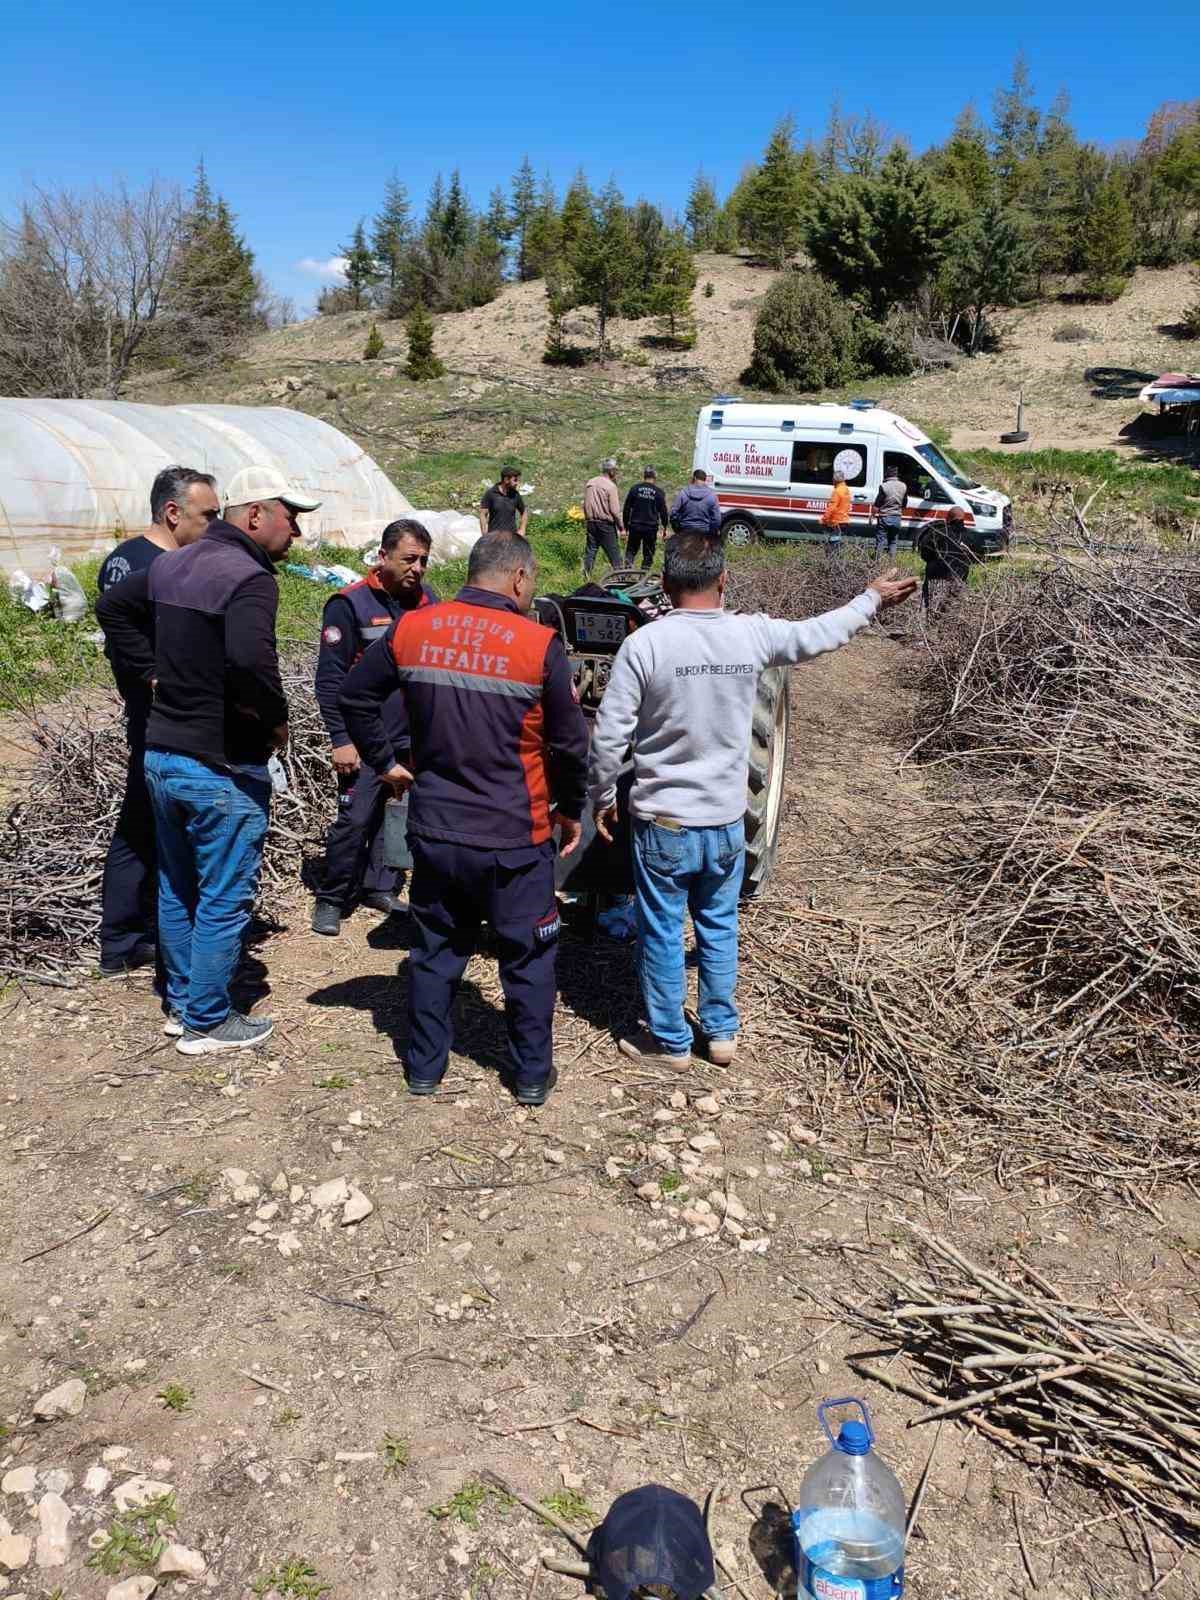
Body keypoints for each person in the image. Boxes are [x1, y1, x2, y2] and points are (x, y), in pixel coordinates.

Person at [589, 532, 916, 1068]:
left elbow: (608, 738)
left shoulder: (644, 645)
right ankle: (720, 1034)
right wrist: (871, 599)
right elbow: (821, 633)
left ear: (666, 585)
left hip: (664, 823)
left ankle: (670, 1043)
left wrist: (602, 795)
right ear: (723, 581)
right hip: (724, 823)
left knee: (663, 931)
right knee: (719, 925)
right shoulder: (751, 635)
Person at [339, 533, 589, 1106]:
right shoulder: (538, 644)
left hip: (436, 831)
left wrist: (384, 762)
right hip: (514, 837)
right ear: (521, 580)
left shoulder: (414, 628)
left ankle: (424, 1070)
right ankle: (529, 1075)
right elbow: (572, 746)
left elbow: (355, 695)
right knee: (527, 955)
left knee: (434, 950)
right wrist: (569, 810)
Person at [97, 465, 318, 1054]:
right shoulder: (247, 577)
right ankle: (207, 1021)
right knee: (223, 892)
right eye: (289, 516)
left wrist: (150, 674)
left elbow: (112, 610)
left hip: (162, 753)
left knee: (177, 885)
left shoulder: (169, 562)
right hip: (218, 765)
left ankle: (181, 1002)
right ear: (254, 516)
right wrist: (274, 720)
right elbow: (250, 661)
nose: (295, 530)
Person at [96, 466, 220, 977]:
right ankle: (122, 939)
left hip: (184, 719)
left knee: (156, 824)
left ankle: (147, 930)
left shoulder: (185, 562)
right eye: (206, 514)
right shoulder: (131, 565)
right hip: (154, 721)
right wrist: (152, 678)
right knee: (141, 823)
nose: (213, 524)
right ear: (173, 513)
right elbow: (123, 634)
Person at [311, 520, 438, 936]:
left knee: (396, 813)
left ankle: (379, 886)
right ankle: (332, 898)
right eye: (408, 559)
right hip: (365, 741)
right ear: (383, 557)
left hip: (412, 737)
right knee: (354, 819)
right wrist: (341, 739)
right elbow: (331, 681)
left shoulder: (429, 602)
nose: (417, 568)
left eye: (423, 560)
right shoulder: (349, 605)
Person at [918, 506, 973, 618]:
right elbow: (973, 558)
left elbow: (925, 553)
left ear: (948, 518)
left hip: (936, 579)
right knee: (953, 615)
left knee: (931, 613)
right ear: (963, 519)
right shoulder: (970, 536)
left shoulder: (938, 533)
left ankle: (927, 631)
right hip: (960, 579)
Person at [582, 459, 624, 577]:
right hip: (605, 524)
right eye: (615, 470)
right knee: (614, 555)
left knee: (590, 552)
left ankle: (586, 576)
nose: (616, 473)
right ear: (611, 471)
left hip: (591, 522)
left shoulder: (590, 483)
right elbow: (615, 511)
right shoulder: (611, 486)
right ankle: (621, 579)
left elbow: (585, 504)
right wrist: (621, 527)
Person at [623, 466, 670, 571]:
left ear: (644, 476)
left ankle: (627, 571)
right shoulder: (659, 492)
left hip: (635, 526)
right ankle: (643, 574)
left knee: (631, 550)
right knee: (648, 553)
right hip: (651, 527)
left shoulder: (634, 489)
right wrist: (665, 527)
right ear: (655, 477)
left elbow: (626, 509)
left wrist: (625, 527)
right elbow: (663, 512)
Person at [670, 469, 721, 536]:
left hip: (685, 529)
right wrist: (712, 531)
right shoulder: (712, 495)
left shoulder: (684, 492)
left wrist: (677, 529)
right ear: (705, 480)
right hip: (704, 531)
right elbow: (717, 518)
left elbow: (673, 512)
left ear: (694, 478)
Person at [479, 466, 527, 537]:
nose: (517, 483)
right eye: (515, 480)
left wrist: (522, 529)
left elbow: (524, 512)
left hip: (511, 537)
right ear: (506, 479)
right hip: (494, 537)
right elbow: (483, 514)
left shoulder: (515, 494)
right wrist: (484, 533)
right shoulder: (491, 493)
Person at [873, 464, 907, 561]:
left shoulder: (884, 486)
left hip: (884, 517)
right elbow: (904, 503)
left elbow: (877, 503)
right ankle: (891, 563)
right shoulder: (903, 486)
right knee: (893, 541)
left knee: (880, 541)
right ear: (896, 475)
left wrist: (872, 515)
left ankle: (877, 561)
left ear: (887, 475)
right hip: (896, 518)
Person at [821, 469, 851, 548]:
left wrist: (824, 519)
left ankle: (832, 560)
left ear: (835, 480)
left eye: (833, 479)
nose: (832, 480)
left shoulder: (837, 491)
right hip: (844, 520)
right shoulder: (846, 489)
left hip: (836, 521)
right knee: (838, 543)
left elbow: (832, 507)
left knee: (832, 546)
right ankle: (836, 559)